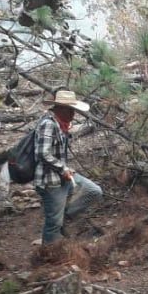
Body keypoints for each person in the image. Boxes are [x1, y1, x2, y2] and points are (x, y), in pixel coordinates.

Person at [34, 91, 102, 245]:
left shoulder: (60, 125)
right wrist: (62, 168)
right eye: (71, 110)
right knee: (53, 225)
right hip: (50, 181)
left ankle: (63, 216)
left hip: (63, 176)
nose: (73, 114)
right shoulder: (48, 124)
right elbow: (42, 153)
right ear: (61, 109)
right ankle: (48, 255)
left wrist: (64, 169)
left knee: (94, 191)